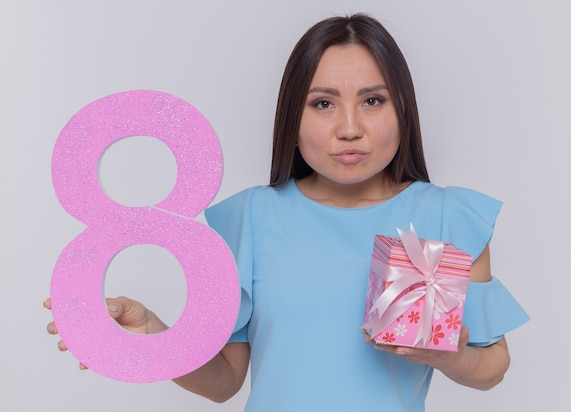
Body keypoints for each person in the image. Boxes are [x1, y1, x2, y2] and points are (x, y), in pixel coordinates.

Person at [45, 13, 529, 411]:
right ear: (291, 116)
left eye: (373, 101)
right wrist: (155, 334)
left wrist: (450, 353)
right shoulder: (252, 218)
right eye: (323, 103)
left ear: (402, 108)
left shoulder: (447, 216)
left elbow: (492, 368)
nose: (349, 128)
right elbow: (225, 381)